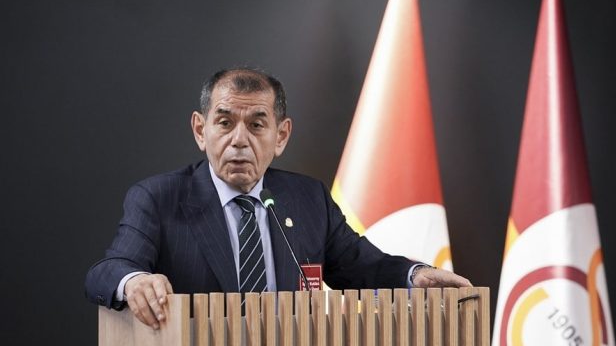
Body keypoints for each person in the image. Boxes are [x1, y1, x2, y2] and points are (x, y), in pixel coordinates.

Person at [85, 67, 471, 329]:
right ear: (201, 131)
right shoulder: (159, 198)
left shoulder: (307, 198)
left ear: (281, 136)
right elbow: (108, 269)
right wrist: (134, 281)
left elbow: (362, 266)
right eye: (224, 123)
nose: (239, 140)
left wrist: (414, 276)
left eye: (256, 125)